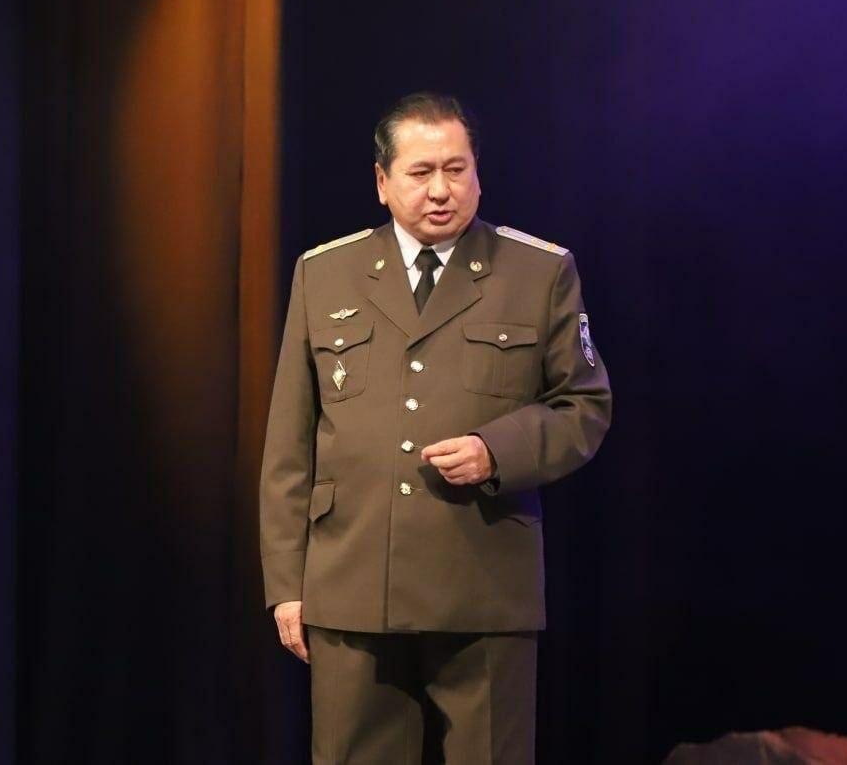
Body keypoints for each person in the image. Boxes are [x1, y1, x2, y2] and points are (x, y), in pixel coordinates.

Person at [258, 92, 612, 764]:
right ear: (382, 181)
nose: (441, 190)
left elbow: (585, 405)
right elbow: (289, 445)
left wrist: (496, 450)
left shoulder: (538, 271)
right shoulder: (324, 273)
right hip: (352, 582)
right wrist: (287, 585)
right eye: (421, 173)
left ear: (478, 173)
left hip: (483, 580)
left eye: (456, 169)